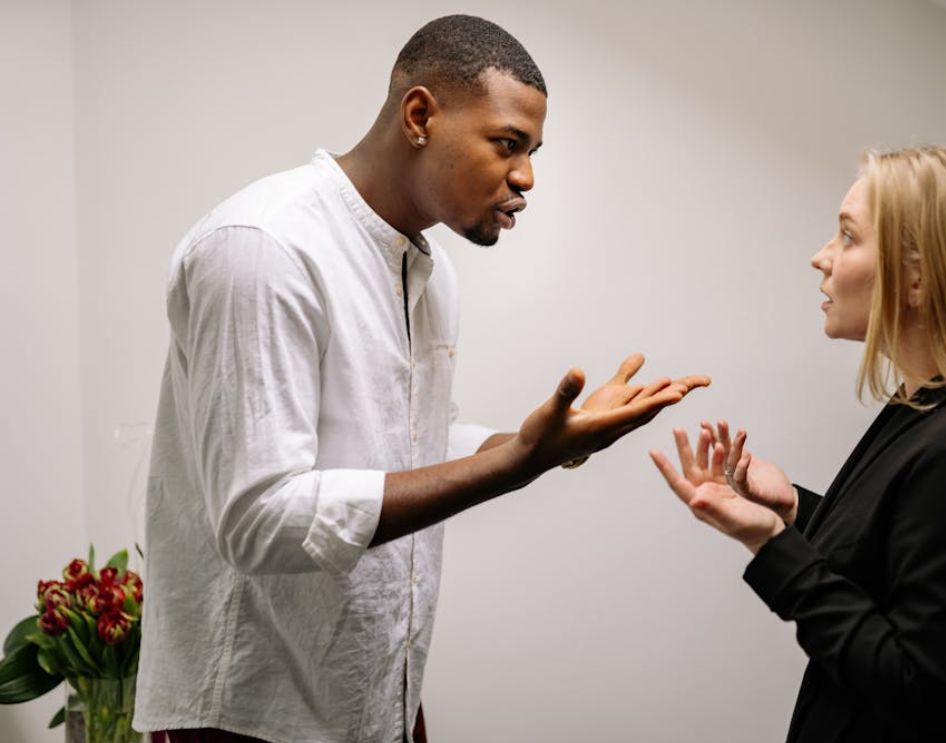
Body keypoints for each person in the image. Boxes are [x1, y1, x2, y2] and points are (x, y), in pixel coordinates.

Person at [135, 15, 708, 743]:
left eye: (532, 151)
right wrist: (511, 466)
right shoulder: (263, 247)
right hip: (251, 715)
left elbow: (407, 446)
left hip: (373, 699)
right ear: (419, 116)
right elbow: (260, 519)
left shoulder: (428, 275)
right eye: (507, 144)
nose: (527, 176)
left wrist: (545, 440)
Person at [651, 145, 946, 742]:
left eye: (846, 236)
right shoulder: (924, 410)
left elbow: (920, 689)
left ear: (917, 276)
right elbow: (896, 563)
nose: (821, 258)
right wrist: (794, 511)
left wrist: (770, 543)